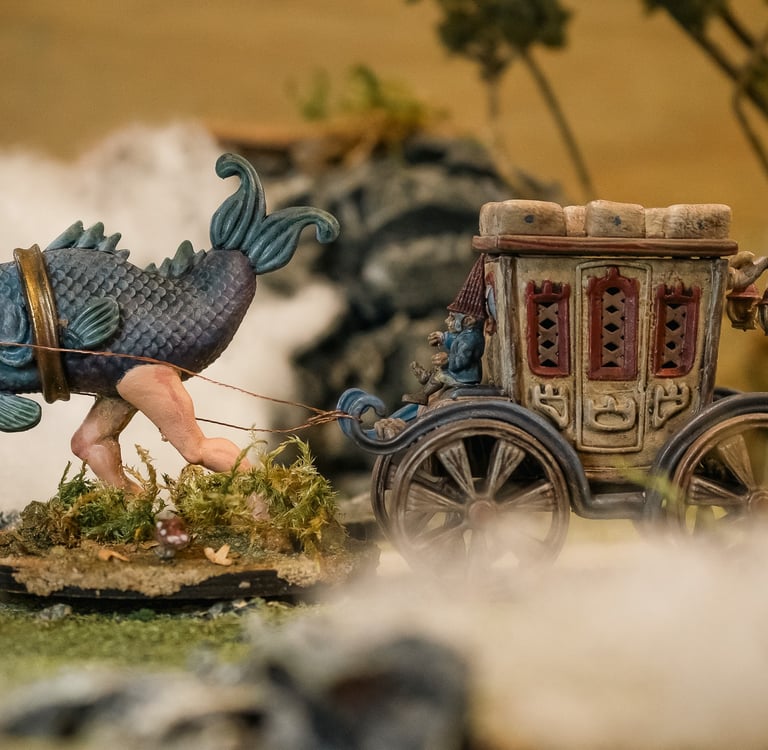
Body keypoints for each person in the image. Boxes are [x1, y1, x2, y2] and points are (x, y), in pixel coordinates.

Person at [403, 256, 487, 405]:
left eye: (452, 318)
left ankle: (423, 394)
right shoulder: (466, 334)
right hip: (461, 374)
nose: (447, 321)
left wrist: (448, 360)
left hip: (466, 377)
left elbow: (462, 359)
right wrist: (443, 337)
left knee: (441, 375)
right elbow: (455, 339)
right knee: (439, 371)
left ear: (468, 320)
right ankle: (427, 378)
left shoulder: (472, 339)